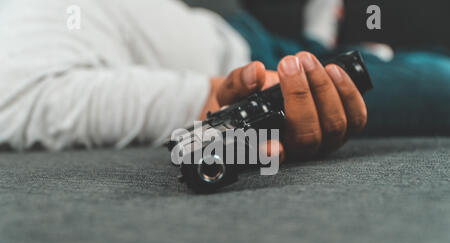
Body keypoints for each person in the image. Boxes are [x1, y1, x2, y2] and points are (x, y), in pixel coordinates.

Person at [0, 0, 447, 159]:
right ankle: (324, 46)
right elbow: (212, 104)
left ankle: (314, 39)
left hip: (226, 29)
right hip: (240, 64)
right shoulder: (18, 94)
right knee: (439, 83)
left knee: (301, 51)